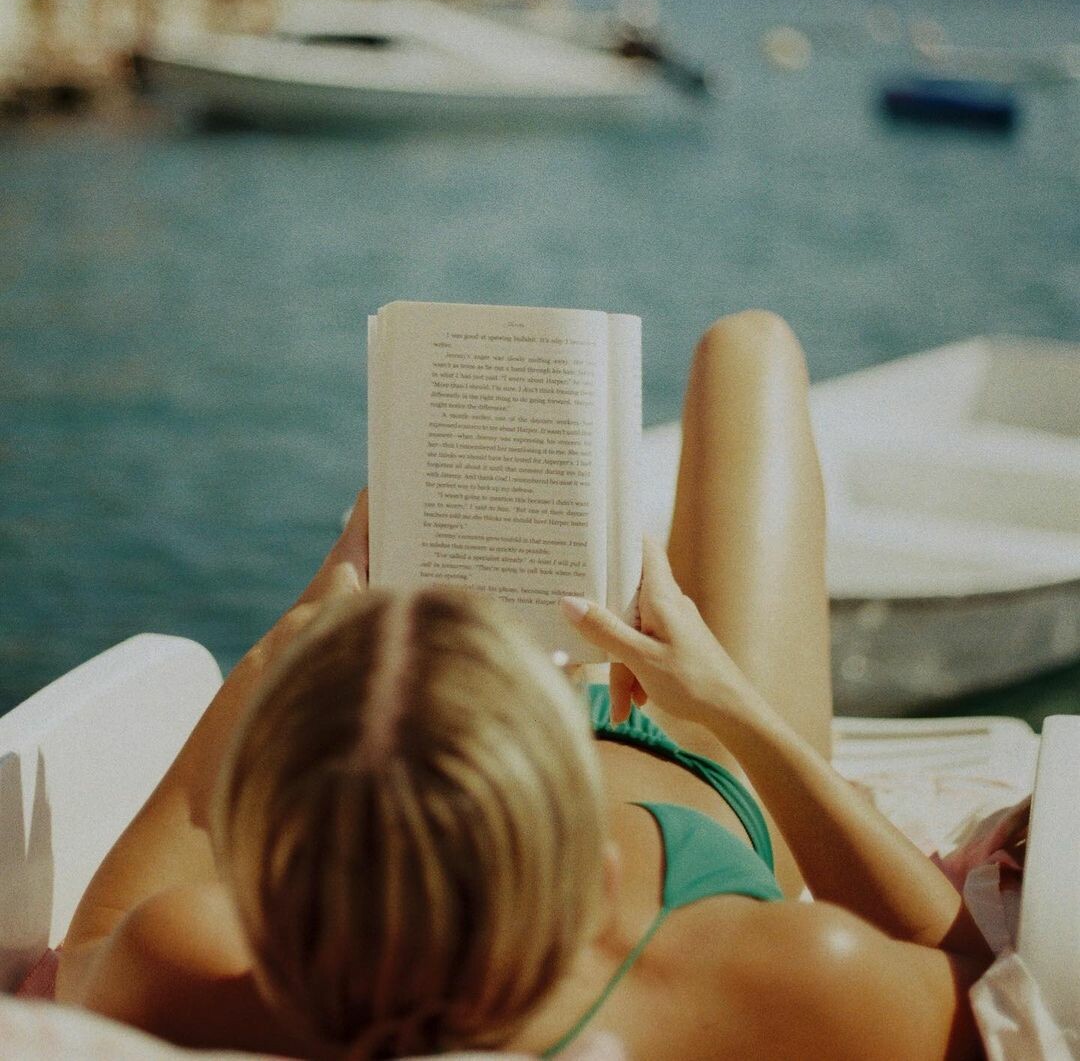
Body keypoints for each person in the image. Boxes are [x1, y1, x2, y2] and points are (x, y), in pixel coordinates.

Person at [55, 312, 994, 1059]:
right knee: (750, 347)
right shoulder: (783, 980)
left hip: (427, 753)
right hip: (709, 767)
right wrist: (725, 703)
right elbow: (973, 971)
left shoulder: (200, 968)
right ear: (599, 879)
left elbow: (84, 953)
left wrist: (290, 642)